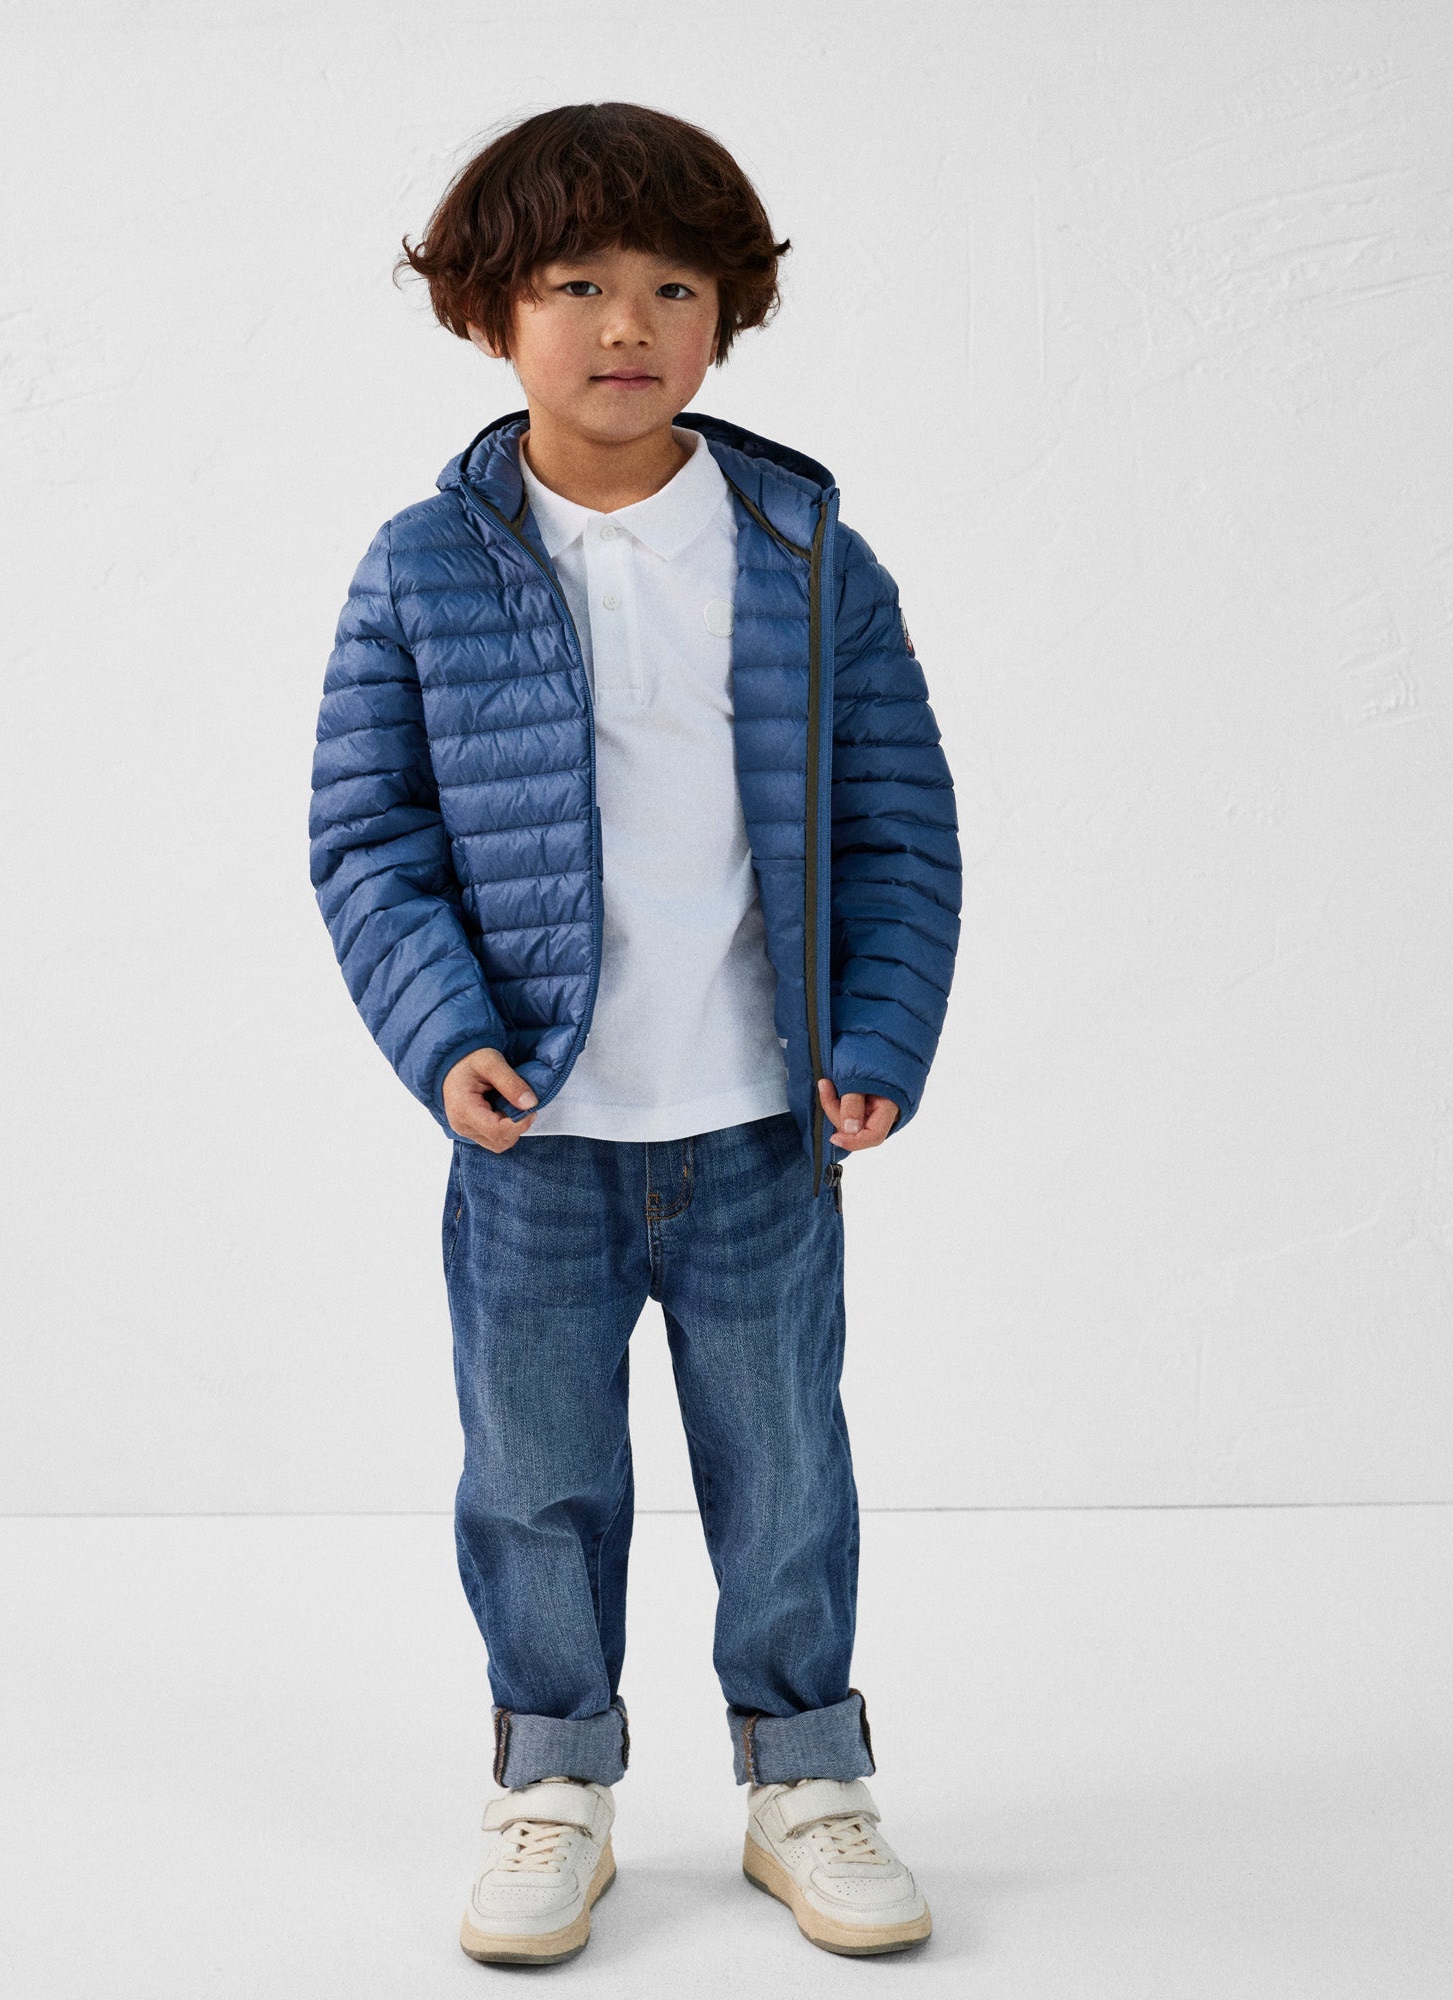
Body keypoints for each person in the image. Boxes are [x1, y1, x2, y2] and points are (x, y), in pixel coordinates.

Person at [309, 100, 962, 1965]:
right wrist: (444, 1034)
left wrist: (878, 1036)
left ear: (727, 313)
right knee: (533, 1479)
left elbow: (897, 823)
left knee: (788, 1470)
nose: (627, 324)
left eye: (675, 286)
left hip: (760, 1121)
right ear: (490, 311)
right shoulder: (426, 566)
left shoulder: (806, 551)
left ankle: (807, 1780)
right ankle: (555, 1782)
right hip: (533, 1137)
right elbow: (368, 835)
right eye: (578, 284)